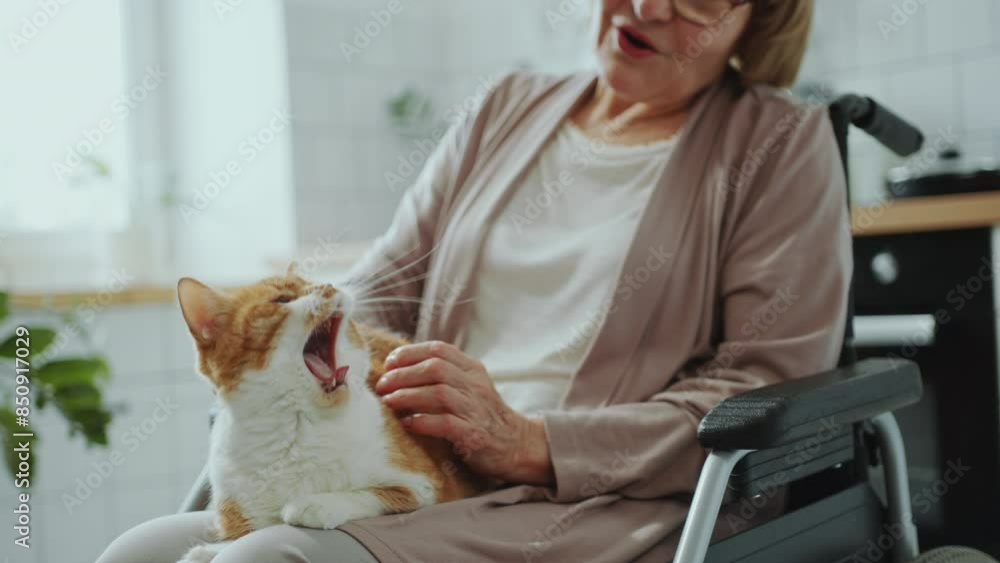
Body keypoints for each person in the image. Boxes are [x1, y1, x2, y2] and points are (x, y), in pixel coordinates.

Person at [98, 0, 851, 561]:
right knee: (138, 550)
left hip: (601, 500)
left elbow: (756, 387)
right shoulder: (505, 109)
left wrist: (528, 441)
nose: (649, 7)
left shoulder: (780, 145)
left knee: (269, 559)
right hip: (415, 467)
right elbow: (380, 293)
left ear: (760, 21)